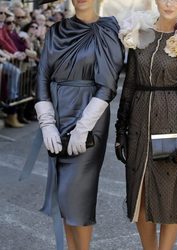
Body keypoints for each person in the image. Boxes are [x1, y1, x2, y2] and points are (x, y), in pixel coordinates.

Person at [115, 0, 177, 249]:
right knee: (140, 193)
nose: (169, 2)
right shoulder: (141, 33)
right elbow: (129, 83)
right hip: (138, 121)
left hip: (171, 121)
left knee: (171, 193)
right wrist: (120, 128)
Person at [29, 0, 123, 249]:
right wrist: (47, 122)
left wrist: (84, 126)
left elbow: (108, 86)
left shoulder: (109, 29)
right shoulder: (55, 30)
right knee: (64, 198)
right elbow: (42, 77)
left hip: (90, 119)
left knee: (78, 197)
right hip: (57, 117)